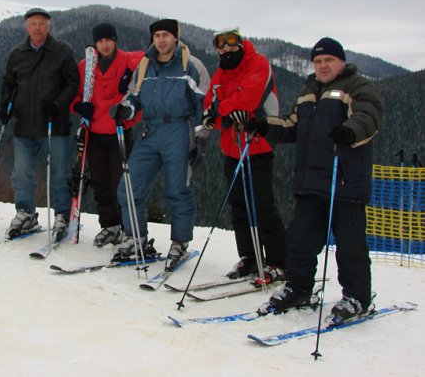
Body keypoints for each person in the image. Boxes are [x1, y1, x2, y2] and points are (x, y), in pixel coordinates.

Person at [249, 37, 383, 322]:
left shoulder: (358, 87)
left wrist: (351, 130)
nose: (323, 66)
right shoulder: (309, 92)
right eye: (318, 61)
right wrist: (265, 125)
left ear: (341, 62)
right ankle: (299, 288)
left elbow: (368, 117)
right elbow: (292, 125)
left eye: (329, 60)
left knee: (350, 246)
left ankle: (357, 297)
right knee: (300, 241)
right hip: (310, 184)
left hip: (345, 183)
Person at [110, 18, 209, 269]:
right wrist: (126, 109)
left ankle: (179, 243)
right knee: (128, 185)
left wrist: (201, 136)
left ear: (175, 37)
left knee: (178, 189)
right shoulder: (145, 65)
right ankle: (136, 238)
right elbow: (133, 96)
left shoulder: (191, 65)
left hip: (179, 129)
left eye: (166, 35)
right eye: (157, 36)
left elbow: (204, 103)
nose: (161, 40)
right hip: (152, 129)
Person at [202, 27, 286, 283]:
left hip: (257, 143)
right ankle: (249, 256)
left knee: (262, 205)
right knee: (238, 204)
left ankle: (278, 261)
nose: (226, 49)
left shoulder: (257, 63)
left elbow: (248, 98)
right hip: (232, 147)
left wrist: (222, 109)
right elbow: (208, 112)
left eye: (231, 43)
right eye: (221, 45)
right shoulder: (220, 73)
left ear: (240, 43)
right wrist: (223, 116)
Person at [0, 8, 79, 241]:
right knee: (21, 174)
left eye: (41, 24)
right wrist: (5, 105)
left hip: (55, 125)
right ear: (26, 26)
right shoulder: (17, 53)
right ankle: (25, 213)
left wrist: (58, 103)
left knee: (59, 174)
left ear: (48, 26)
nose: (37, 28)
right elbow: (8, 82)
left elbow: (72, 82)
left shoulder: (62, 51)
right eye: (33, 23)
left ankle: (62, 214)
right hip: (24, 125)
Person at [70, 22, 144, 247]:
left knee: (120, 183)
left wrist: (130, 74)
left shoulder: (128, 60)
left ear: (115, 41)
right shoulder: (86, 66)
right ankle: (110, 225)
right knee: (100, 182)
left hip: (119, 130)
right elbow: (75, 94)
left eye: (108, 40)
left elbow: (148, 56)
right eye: (100, 41)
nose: (105, 45)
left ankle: (127, 227)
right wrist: (78, 107)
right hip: (94, 132)